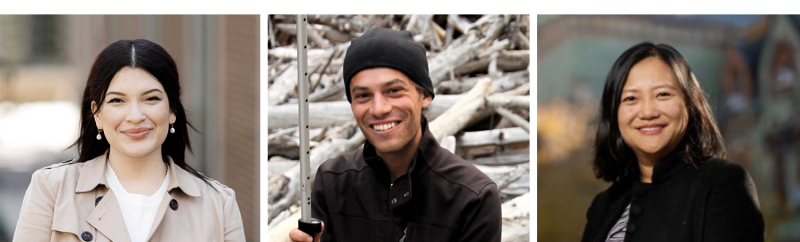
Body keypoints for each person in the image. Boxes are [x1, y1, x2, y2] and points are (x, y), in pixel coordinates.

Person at [13, 39, 245, 241]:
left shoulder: (219, 204)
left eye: (151, 99)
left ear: (172, 110)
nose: (135, 116)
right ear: (97, 114)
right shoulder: (52, 189)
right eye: (117, 101)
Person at [288, 28, 502, 242]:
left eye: (394, 91)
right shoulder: (333, 181)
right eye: (363, 95)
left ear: (425, 95)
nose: (379, 109)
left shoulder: (473, 197)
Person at [581, 42, 764, 242]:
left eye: (663, 95)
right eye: (631, 99)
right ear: (613, 113)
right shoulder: (603, 206)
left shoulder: (723, 183)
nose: (648, 112)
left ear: (690, 103)